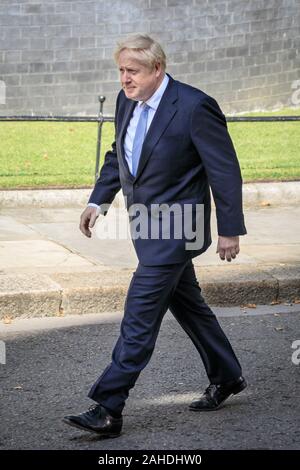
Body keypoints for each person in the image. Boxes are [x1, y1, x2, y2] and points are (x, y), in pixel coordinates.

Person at [63, 34, 247, 438]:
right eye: (121, 71)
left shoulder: (195, 106)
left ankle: (109, 406)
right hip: (146, 224)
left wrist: (230, 229)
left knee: (140, 314)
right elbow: (120, 154)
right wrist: (98, 201)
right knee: (189, 305)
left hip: (179, 227)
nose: (125, 79)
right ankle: (228, 374)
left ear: (157, 69)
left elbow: (224, 169)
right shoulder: (125, 99)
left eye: (132, 71)